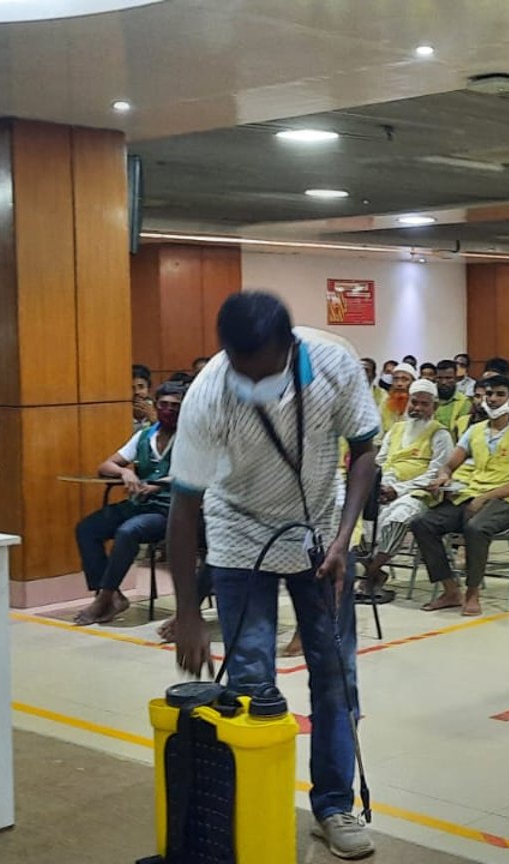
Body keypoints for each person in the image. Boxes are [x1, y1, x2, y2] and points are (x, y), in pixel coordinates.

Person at [164, 291, 379, 859]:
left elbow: (364, 451)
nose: (249, 382)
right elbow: (183, 509)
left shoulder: (333, 362)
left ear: (289, 348)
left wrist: (343, 538)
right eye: (240, 370)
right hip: (238, 536)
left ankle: (333, 806)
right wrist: (187, 613)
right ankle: (254, 805)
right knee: (251, 682)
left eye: (261, 372)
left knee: (334, 677)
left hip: (321, 535)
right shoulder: (209, 393)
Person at [411, 374, 509, 618]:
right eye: (489, 394)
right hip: (472, 493)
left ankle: (472, 593)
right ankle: (450, 590)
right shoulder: (475, 430)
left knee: (476, 528)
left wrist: (486, 497)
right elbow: (450, 465)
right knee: (422, 523)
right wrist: (444, 476)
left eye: (500, 394)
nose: (493, 399)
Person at [71, 382, 183, 626]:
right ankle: (112, 595)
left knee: (128, 532)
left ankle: (104, 598)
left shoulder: (191, 438)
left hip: (169, 510)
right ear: (156, 404)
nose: (168, 410)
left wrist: (158, 485)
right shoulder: (144, 436)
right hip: (138, 504)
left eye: (175, 406)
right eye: (163, 404)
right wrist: (125, 472)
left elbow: (196, 474)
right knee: (87, 529)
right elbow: (106, 465)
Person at [355, 378, 453, 602]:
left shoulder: (441, 434)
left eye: (424, 404)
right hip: (385, 489)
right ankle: (376, 573)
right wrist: (378, 486)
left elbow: (436, 473)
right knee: (352, 515)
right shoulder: (396, 429)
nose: (417, 408)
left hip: (420, 493)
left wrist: (397, 490)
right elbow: (380, 461)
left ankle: (369, 577)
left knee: (398, 517)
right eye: (414, 402)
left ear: (435, 407)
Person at [431, 360, 473, 434]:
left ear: (456, 378)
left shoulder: (464, 402)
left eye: (448, 378)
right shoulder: (428, 398)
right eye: (439, 378)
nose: (443, 382)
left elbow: (463, 431)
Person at [379, 366, 413, 430]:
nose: (399, 384)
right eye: (395, 379)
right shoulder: (385, 402)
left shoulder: (418, 405)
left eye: (405, 379)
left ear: (412, 382)